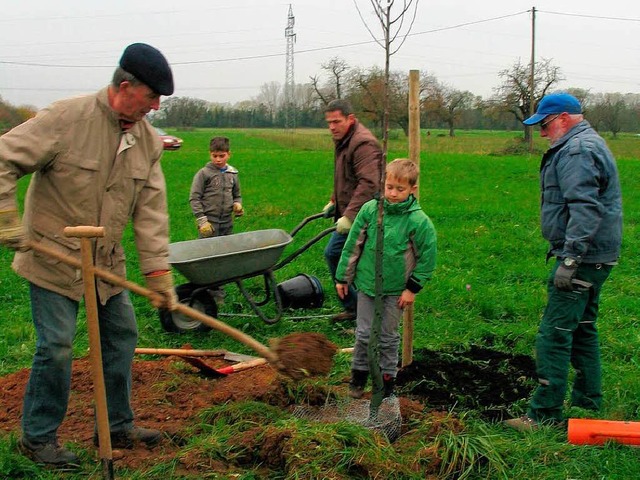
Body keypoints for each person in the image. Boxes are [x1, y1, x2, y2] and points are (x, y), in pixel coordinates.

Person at [0, 42, 178, 467]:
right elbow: (3, 157)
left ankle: (117, 424)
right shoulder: (66, 119)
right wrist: (6, 214)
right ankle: (37, 439)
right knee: (58, 346)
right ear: (124, 86)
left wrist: (158, 274)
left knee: (122, 337)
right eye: (151, 97)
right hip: (53, 258)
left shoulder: (147, 141)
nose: (154, 107)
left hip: (106, 264)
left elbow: (151, 211)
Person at [504, 92, 623, 431]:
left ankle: (543, 415)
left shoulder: (576, 150)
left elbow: (585, 208)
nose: (542, 133)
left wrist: (570, 259)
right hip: (598, 256)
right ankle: (588, 403)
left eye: (545, 124)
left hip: (583, 258)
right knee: (584, 329)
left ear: (564, 119)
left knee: (553, 334)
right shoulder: (587, 143)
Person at [335, 159, 437, 398]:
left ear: (413, 189)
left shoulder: (418, 221)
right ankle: (358, 379)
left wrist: (411, 289)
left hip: (395, 291)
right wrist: (343, 277)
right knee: (363, 334)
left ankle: (386, 383)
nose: (392, 193)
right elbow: (354, 245)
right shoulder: (370, 210)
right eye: (389, 187)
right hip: (367, 285)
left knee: (388, 338)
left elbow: (427, 259)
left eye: (400, 189)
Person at [323, 99, 383, 323]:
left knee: (338, 255)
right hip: (353, 211)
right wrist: (334, 201)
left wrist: (349, 216)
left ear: (350, 119)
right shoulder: (343, 139)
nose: (332, 127)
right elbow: (346, 177)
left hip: (365, 215)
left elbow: (369, 184)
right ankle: (357, 310)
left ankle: (361, 311)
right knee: (346, 258)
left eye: (336, 121)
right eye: (328, 122)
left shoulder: (362, 143)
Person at [189, 136, 243, 239]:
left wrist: (237, 204)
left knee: (226, 249)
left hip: (227, 222)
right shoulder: (204, 173)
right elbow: (194, 198)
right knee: (207, 250)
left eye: (222, 156)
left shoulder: (233, 173)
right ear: (210, 154)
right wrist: (202, 221)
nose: (218, 160)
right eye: (214, 156)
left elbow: (237, 195)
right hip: (209, 222)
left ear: (229, 155)